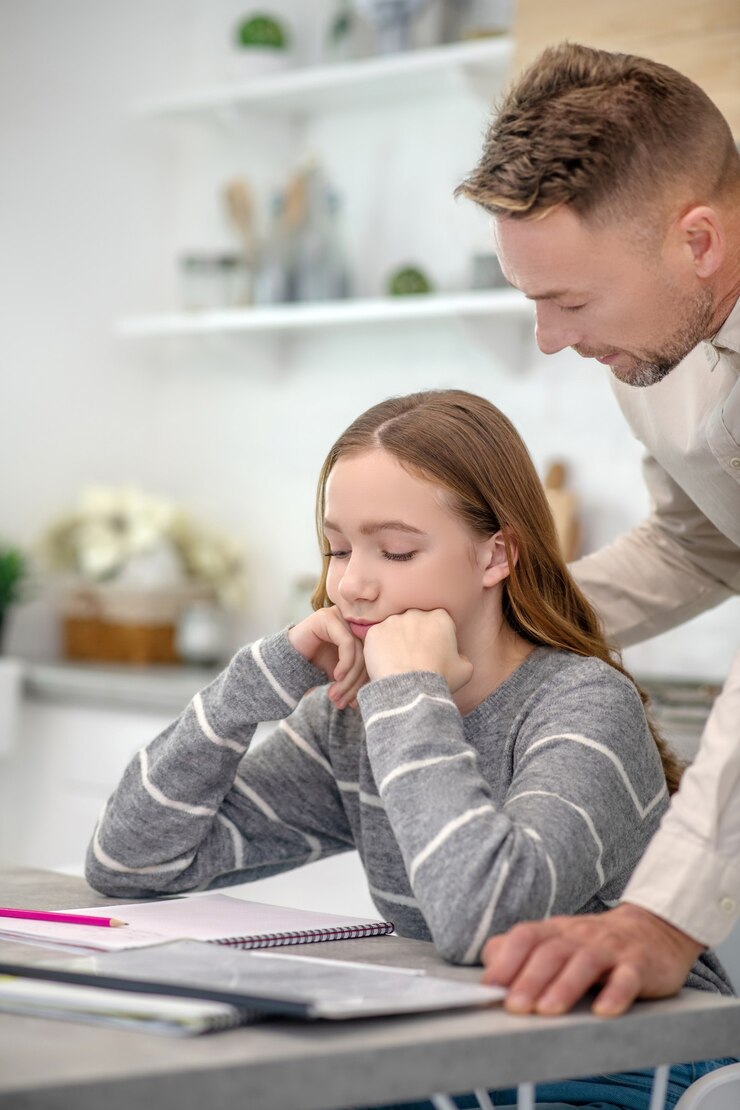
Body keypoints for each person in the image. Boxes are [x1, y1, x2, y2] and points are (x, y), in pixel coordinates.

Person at [86, 389, 733, 1109]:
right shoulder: (360, 718)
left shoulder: (580, 704)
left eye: (396, 550)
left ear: (496, 555)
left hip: (636, 1061)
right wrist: (253, 682)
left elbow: (486, 922)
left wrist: (409, 695)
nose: (352, 583)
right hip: (470, 1051)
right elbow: (132, 861)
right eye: (336, 548)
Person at [455, 41, 740, 1018]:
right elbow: (698, 543)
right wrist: (495, 629)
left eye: (568, 301)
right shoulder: (652, 348)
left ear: (694, 239)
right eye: (533, 301)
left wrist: (659, 917)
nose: (550, 339)